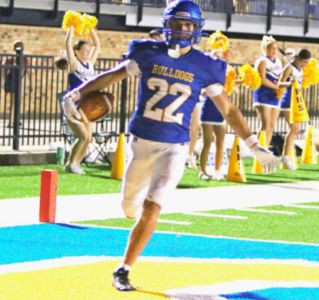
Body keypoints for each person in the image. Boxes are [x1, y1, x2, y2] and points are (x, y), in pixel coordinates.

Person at [61, 0, 279, 291]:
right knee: (128, 208)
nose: (182, 30)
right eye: (177, 23)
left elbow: (228, 109)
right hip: (141, 144)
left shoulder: (206, 65)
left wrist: (253, 143)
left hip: (174, 148)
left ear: (198, 29)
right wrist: (76, 95)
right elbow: (112, 75)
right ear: (167, 25)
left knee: (153, 208)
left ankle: (124, 269)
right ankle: (131, 220)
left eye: (188, 25)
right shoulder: (147, 52)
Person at [64, 27, 101, 174]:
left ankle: (76, 164)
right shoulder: (74, 64)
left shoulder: (90, 64)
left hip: (87, 105)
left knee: (89, 138)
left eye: (88, 51)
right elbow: (68, 44)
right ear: (77, 52)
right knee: (83, 136)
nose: (87, 53)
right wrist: (72, 28)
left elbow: (97, 45)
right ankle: (71, 163)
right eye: (84, 51)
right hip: (73, 106)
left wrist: (90, 28)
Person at [198, 49, 234, 180]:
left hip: (221, 109)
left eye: (220, 57)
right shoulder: (206, 74)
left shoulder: (227, 72)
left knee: (220, 142)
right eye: (216, 57)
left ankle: (218, 170)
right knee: (207, 141)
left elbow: (230, 89)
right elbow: (202, 91)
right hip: (208, 109)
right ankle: (202, 171)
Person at [277, 49, 312, 170]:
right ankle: (285, 157)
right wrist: (289, 84)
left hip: (297, 100)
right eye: (304, 62)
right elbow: (279, 83)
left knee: (295, 129)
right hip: (288, 100)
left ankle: (286, 157)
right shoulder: (289, 68)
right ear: (300, 59)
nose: (305, 65)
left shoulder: (299, 69)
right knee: (294, 128)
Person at [253, 35, 282, 147]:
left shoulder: (278, 61)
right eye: (271, 48)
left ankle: (265, 149)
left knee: (271, 126)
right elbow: (262, 80)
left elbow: (280, 77)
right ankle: (258, 151)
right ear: (265, 48)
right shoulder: (262, 61)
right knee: (265, 125)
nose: (274, 50)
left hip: (274, 96)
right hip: (263, 95)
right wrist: (277, 87)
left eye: (275, 48)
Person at [3, 40, 30, 128]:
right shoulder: (24, 58)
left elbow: (3, 70)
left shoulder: (9, 58)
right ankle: (13, 121)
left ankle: (13, 121)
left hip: (11, 82)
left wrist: (4, 81)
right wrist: (30, 83)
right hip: (19, 82)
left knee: (12, 103)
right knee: (17, 103)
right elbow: (26, 71)